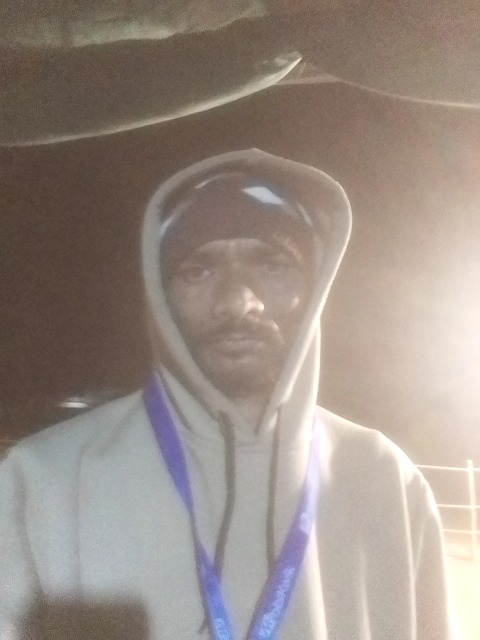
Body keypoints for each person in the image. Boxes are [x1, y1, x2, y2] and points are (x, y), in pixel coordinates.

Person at [0, 149, 457, 639]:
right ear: (160, 293)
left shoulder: (385, 481)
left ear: (314, 288)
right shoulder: (45, 483)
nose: (238, 301)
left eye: (272, 266)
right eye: (198, 270)